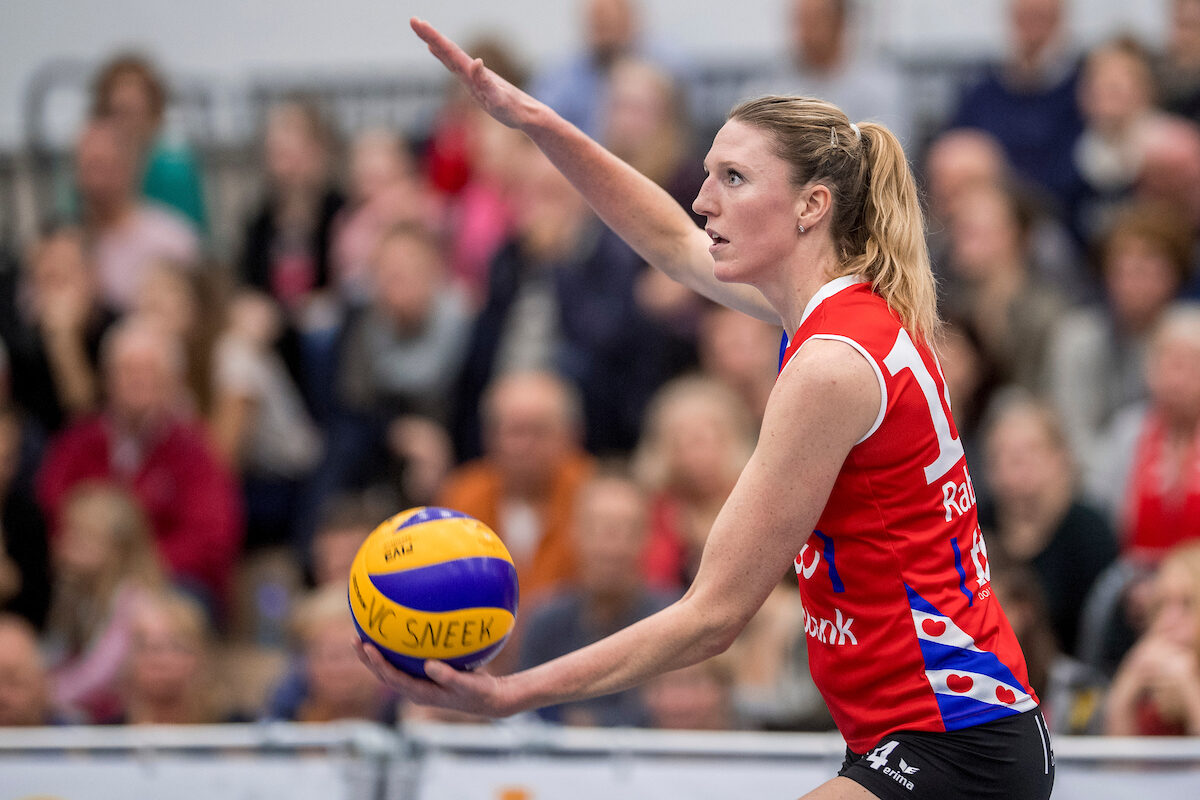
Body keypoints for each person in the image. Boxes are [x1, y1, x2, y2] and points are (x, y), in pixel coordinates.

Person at [359, 21, 1054, 800]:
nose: (702, 199)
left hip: (956, 740)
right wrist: (541, 123)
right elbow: (669, 242)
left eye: (733, 178)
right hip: (931, 734)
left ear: (811, 205)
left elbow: (713, 616)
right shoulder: (841, 312)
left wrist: (511, 695)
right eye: (707, 174)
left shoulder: (830, 366)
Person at [89, 52, 209, 232]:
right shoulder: (90, 164)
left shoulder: (173, 168)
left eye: (131, 112)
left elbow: (188, 230)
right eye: (117, 112)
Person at [1103, 541, 1200, 735]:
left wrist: (1190, 691)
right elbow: (1119, 754)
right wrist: (1124, 696)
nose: (1167, 621)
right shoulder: (1152, 693)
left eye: (1187, 604)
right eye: (1161, 605)